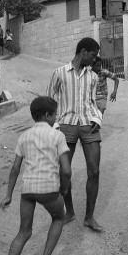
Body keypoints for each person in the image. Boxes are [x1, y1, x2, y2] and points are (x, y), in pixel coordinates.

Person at [0, 96, 71, 255]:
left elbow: (14, 169)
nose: (56, 117)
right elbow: (66, 170)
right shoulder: (57, 136)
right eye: (55, 113)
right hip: (48, 189)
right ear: (47, 115)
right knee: (59, 217)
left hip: (27, 190)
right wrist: (63, 189)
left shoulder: (24, 136)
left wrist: (8, 195)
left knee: (23, 232)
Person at [47, 37, 103, 232]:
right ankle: (69, 211)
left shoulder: (93, 77)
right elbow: (49, 101)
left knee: (94, 171)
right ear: (83, 52)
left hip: (89, 125)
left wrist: (97, 119)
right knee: (64, 172)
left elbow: (94, 102)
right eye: (93, 55)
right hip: (66, 125)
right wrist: (53, 126)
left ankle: (89, 217)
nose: (95, 59)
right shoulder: (59, 73)